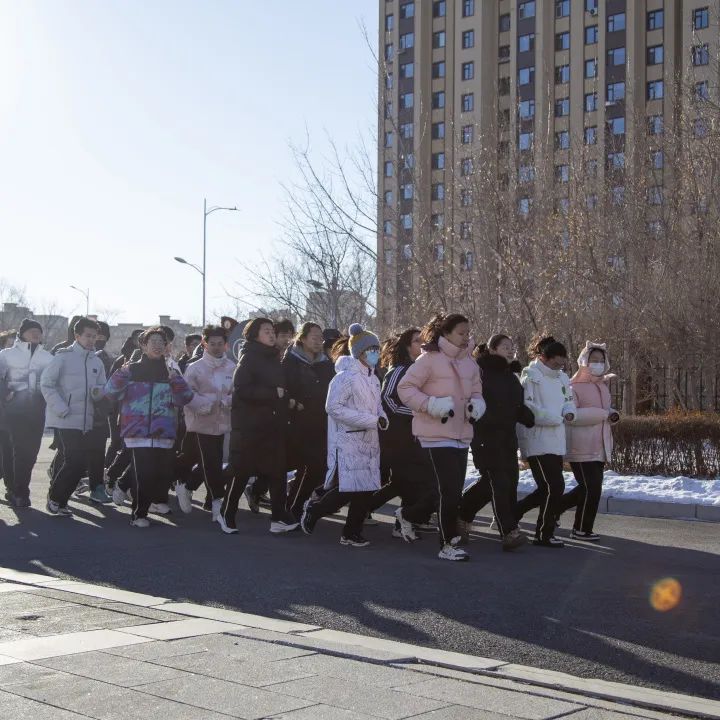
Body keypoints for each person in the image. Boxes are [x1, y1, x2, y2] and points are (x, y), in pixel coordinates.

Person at [398, 313, 485, 562]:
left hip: (461, 433)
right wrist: (431, 404)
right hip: (435, 434)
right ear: (446, 334)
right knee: (450, 491)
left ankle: (409, 515)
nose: (466, 337)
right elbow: (404, 389)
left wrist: (478, 405)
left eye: (468, 333)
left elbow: (477, 390)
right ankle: (448, 543)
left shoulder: (470, 362)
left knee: (449, 490)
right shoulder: (429, 359)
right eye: (461, 333)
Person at [301, 323, 387, 547]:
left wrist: (381, 417)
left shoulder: (373, 378)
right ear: (359, 352)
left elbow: (376, 407)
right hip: (349, 440)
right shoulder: (344, 378)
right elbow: (333, 408)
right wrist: (370, 420)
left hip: (370, 440)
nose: (376, 353)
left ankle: (351, 532)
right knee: (348, 489)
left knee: (366, 489)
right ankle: (315, 509)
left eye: (377, 349)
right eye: (372, 349)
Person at [103, 327, 193, 527]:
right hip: (138, 430)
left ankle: (133, 493)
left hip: (164, 431)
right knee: (144, 473)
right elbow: (109, 392)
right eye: (152, 341)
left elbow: (186, 397)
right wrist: (122, 373)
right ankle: (139, 514)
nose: (157, 345)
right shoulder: (131, 369)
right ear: (143, 345)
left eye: (161, 342)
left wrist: (175, 379)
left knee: (160, 473)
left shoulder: (171, 370)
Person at [218, 318, 299, 535]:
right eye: (266, 331)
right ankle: (227, 513)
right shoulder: (250, 358)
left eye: (272, 331)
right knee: (242, 472)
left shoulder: (274, 358)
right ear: (254, 335)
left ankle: (278, 518)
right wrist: (274, 394)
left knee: (278, 472)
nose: (272, 335)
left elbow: (280, 389)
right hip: (250, 427)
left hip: (273, 426)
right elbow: (241, 390)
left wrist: (286, 400)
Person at [458, 335, 534, 551]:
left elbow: (515, 405)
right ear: (492, 349)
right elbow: (476, 405)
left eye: (512, 347)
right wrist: (499, 416)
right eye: (505, 347)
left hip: (507, 438)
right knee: (498, 482)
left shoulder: (511, 376)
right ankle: (509, 532)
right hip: (485, 437)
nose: (510, 351)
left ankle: (461, 513)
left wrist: (525, 415)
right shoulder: (480, 373)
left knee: (501, 481)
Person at [368, 327, 436, 542]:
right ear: (407, 346)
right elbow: (387, 400)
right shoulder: (399, 369)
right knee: (409, 481)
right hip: (398, 437)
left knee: (403, 482)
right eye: (417, 341)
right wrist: (418, 411)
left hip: (416, 435)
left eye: (423, 341)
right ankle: (394, 519)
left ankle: (397, 521)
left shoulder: (423, 369)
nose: (422, 344)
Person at [41, 318, 110, 514]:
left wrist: (101, 397)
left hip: (87, 420)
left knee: (78, 463)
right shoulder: (63, 357)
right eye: (87, 336)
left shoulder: (97, 361)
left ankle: (60, 502)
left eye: (94, 337)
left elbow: (101, 388)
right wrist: (61, 407)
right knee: (75, 459)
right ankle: (55, 498)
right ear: (77, 335)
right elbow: (46, 384)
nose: (91, 340)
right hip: (65, 418)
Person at [516, 336, 577, 548]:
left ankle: (512, 514)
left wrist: (569, 413)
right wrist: (553, 418)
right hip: (537, 439)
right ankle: (544, 533)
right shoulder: (530, 376)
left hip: (557, 438)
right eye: (555, 363)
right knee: (555, 485)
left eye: (562, 364)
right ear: (544, 357)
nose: (559, 367)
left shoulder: (562, 378)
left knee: (546, 489)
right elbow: (529, 409)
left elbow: (569, 400)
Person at [559, 342, 620, 541]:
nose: (598, 364)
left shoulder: (602, 386)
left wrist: (611, 414)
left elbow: (603, 411)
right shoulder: (573, 385)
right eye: (594, 360)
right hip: (580, 445)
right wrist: (603, 414)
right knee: (591, 487)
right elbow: (572, 415)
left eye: (601, 361)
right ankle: (581, 529)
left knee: (590, 487)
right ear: (584, 361)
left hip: (600, 444)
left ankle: (554, 509)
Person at [175, 325, 235, 519]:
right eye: (212, 344)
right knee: (211, 463)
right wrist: (203, 405)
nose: (216, 347)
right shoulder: (195, 368)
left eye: (220, 344)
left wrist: (228, 401)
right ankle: (217, 502)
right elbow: (186, 394)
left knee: (211, 462)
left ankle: (187, 485)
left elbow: (237, 392)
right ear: (204, 343)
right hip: (201, 422)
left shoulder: (232, 368)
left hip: (222, 422)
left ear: (226, 345)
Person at [282, 322, 335, 519]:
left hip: (320, 422)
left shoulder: (326, 364)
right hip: (295, 422)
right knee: (294, 464)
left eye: (320, 337)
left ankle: (295, 506)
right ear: (302, 338)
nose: (319, 341)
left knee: (317, 467)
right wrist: (294, 404)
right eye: (314, 336)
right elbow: (281, 391)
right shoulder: (289, 362)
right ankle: (288, 505)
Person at [0, 318, 54, 507]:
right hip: (11, 411)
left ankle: (16, 488)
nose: (36, 334)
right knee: (14, 450)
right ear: (22, 334)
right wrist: (5, 394)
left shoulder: (48, 357)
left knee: (30, 453)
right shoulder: (6, 355)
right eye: (31, 330)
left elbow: (54, 383)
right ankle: (19, 491)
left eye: (38, 331)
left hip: (36, 411)